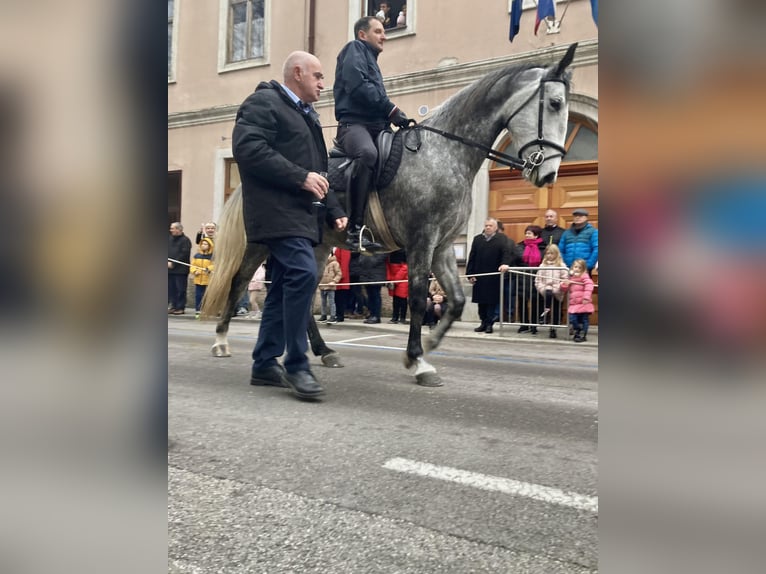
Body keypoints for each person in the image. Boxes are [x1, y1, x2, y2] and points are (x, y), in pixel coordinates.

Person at [232, 50, 347, 401]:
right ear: (297, 73)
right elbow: (247, 147)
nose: (323, 84)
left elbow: (318, 170)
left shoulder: (306, 115)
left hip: (301, 214)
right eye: (318, 76)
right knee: (303, 273)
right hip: (275, 212)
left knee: (283, 285)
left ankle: (265, 364)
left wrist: (333, 208)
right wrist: (300, 178)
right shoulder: (263, 102)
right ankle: (297, 363)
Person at [333, 16, 410, 251]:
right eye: (378, 31)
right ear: (362, 35)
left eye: (384, 31)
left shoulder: (371, 60)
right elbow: (358, 86)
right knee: (367, 154)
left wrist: (391, 116)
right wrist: (391, 109)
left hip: (377, 126)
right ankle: (354, 229)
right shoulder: (354, 49)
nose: (384, 36)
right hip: (354, 126)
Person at [466, 218, 514, 334]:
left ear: (496, 228)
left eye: (490, 226)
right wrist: (470, 274)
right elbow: (472, 256)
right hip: (480, 275)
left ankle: (489, 324)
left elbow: (506, 253)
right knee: (481, 302)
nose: (488, 227)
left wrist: (504, 264)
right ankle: (482, 322)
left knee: (491, 302)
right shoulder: (478, 239)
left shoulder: (502, 239)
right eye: (486, 225)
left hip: (493, 276)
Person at [510, 224, 545, 334]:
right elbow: (514, 261)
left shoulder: (544, 247)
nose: (526, 235)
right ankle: (524, 324)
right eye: (526, 233)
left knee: (536, 303)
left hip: (537, 279)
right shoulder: (519, 246)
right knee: (522, 303)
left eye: (529, 233)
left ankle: (534, 325)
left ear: (536, 235)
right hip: (522, 279)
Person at [534, 243, 569, 339]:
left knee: (557, 311)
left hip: (557, 291)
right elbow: (538, 280)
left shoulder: (562, 265)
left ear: (556, 254)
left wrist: (556, 289)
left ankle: (553, 328)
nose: (549, 255)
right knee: (548, 293)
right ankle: (545, 313)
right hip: (546, 291)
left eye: (552, 253)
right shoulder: (542, 265)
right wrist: (542, 289)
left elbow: (564, 279)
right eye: (548, 253)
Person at [560, 258, 595, 342]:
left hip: (583, 303)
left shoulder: (585, 277)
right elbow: (564, 289)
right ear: (572, 268)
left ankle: (582, 334)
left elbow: (589, 286)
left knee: (583, 320)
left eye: (579, 268)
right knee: (573, 318)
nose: (577, 269)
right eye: (575, 267)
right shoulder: (571, 278)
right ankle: (578, 330)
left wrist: (586, 297)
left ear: (583, 269)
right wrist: (565, 284)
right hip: (574, 304)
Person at [559, 208, 599, 273]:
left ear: (586, 218)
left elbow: (596, 249)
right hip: (568, 269)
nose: (577, 218)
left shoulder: (593, 232)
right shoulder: (566, 233)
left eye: (580, 216)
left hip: (585, 269)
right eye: (575, 216)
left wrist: (588, 265)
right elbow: (560, 250)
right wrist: (564, 264)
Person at [168, 222, 192, 315]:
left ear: (179, 230)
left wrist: (173, 263)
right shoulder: (169, 239)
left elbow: (184, 254)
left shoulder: (185, 240)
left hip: (181, 270)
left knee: (180, 289)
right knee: (171, 289)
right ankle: (173, 306)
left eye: (173, 228)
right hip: (169, 270)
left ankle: (180, 307)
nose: (171, 230)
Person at [357, 252, 387, 324]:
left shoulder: (380, 247)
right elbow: (361, 259)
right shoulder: (366, 247)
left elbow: (379, 258)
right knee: (370, 296)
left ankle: (376, 316)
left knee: (375, 295)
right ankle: (372, 314)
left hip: (376, 275)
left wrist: (369, 260)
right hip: (366, 275)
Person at [190, 237, 214, 319]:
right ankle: (198, 311)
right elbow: (192, 265)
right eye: (202, 244)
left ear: (210, 246)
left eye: (206, 244)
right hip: (198, 279)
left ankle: (207, 311)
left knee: (207, 296)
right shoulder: (197, 255)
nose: (203, 245)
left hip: (208, 280)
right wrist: (194, 271)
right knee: (198, 296)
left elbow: (215, 265)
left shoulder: (212, 256)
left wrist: (209, 268)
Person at [318, 250, 342, 323]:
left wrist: (334, 281)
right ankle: (323, 315)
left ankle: (332, 316)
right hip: (322, 285)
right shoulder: (323, 263)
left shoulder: (335, 263)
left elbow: (339, 274)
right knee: (323, 302)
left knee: (331, 302)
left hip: (330, 285)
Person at [386, 249, 409, 324]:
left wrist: (394, 280)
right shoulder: (391, 254)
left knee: (402, 300)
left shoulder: (401, 254)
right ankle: (395, 317)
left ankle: (402, 318)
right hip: (396, 279)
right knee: (395, 300)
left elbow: (405, 267)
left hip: (402, 280)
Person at [332, 247, 351, 323]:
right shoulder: (335, 248)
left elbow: (344, 263)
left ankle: (340, 315)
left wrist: (341, 276)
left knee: (340, 298)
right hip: (334, 276)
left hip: (341, 278)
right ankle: (336, 314)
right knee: (336, 298)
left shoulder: (343, 248)